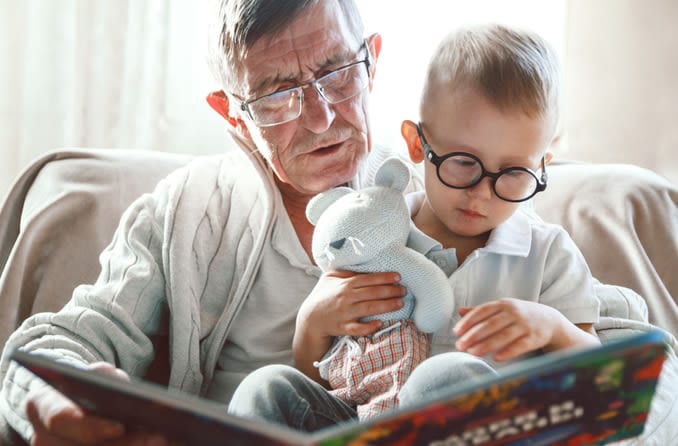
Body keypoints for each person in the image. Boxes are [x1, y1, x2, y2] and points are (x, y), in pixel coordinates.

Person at [0, 0, 409, 444]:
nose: (320, 117)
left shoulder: (446, 191)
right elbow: (53, 346)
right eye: (276, 95)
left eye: (336, 73)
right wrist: (47, 401)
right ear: (231, 112)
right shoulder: (186, 212)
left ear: (372, 63)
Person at [229, 23, 602, 428]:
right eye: (463, 163)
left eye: (513, 172)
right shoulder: (373, 234)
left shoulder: (547, 254)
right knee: (264, 387)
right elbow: (323, 373)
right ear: (415, 144)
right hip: (364, 422)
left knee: (444, 379)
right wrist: (312, 323)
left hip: (479, 430)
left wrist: (554, 328)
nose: (482, 193)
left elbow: (600, 377)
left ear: (541, 166)